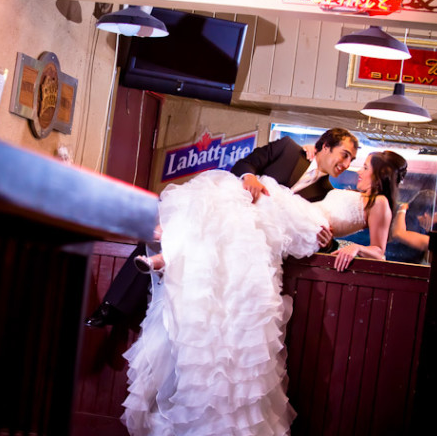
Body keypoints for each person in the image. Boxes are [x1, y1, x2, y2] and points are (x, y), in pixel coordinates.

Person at [121, 151, 407, 436]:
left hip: (308, 225)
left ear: (380, 173)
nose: (357, 169)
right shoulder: (350, 191)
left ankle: (168, 256)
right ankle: (169, 255)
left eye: (365, 165)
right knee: (226, 204)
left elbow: (379, 249)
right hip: (299, 217)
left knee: (231, 202)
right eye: (351, 158)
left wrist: (352, 247)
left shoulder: (381, 203)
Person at [86, 128, 358, 326]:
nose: (346, 165)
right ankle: (115, 305)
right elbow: (244, 163)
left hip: (247, 250)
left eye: (351, 161)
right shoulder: (288, 148)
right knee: (177, 224)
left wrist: (327, 242)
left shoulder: (325, 193)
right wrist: (249, 177)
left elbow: (319, 232)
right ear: (325, 147)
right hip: (229, 212)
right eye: (344, 155)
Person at [388, 190, 437, 264]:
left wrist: (402, 209)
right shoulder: (410, 226)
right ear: (426, 213)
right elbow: (398, 234)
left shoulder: (403, 221)